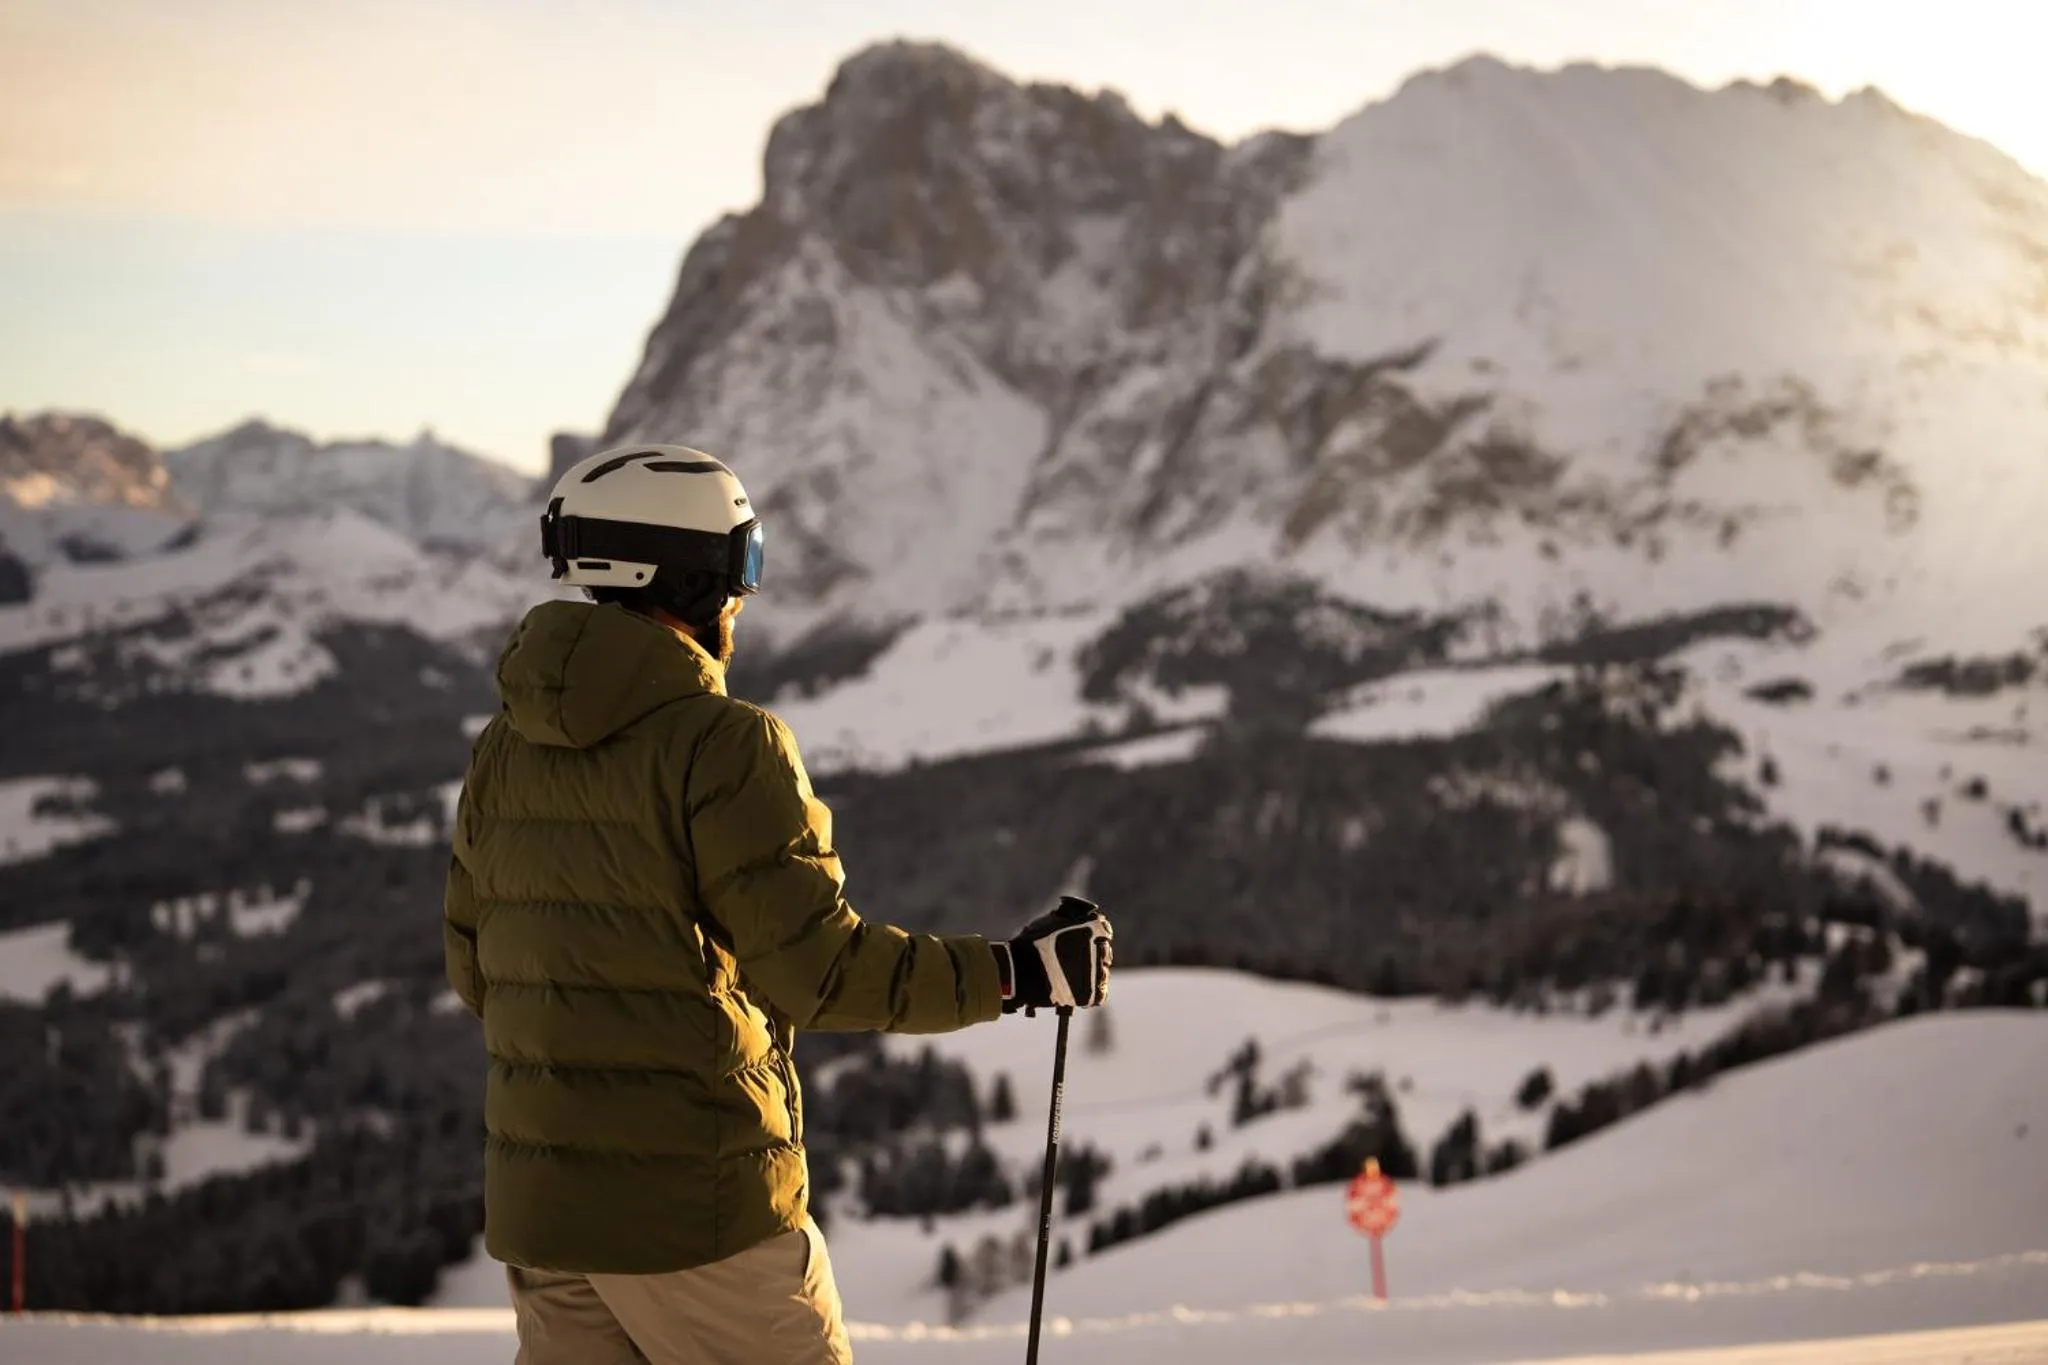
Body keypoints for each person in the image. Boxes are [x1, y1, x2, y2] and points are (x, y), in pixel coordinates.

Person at [442, 444, 1114, 1365]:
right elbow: (820, 973)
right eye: (744, 562)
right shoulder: (725, 744)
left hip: (546, 1223)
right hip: (699, 1213)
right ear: (694, 574)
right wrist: (1016, 973)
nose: (746, 596)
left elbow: (478, 970)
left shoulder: (503, 748)